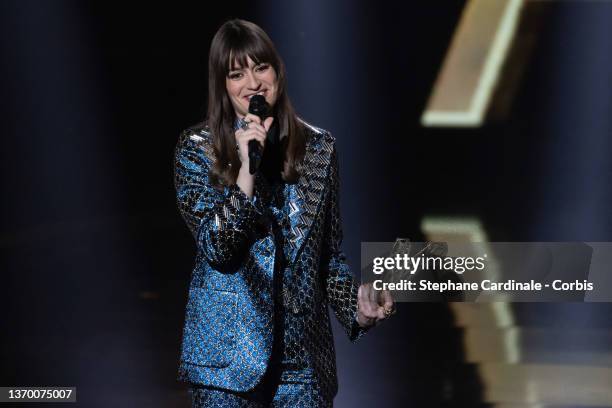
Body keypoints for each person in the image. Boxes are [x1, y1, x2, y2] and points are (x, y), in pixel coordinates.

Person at [173, 19, 394, 407]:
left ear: (277, 71)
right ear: (223, 86)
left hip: (302, 365)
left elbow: (326, 254)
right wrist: (246, 171)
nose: (253, 84)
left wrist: (356, 309)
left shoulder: (319, 148)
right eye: (237, 73)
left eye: (261, 67)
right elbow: (217, 247)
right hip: (227, 363)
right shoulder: (196, 149)